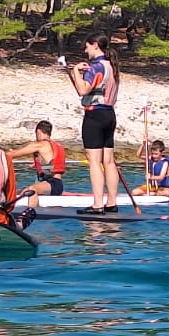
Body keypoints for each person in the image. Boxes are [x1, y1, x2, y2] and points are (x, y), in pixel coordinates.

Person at [65, 34, 120, 214]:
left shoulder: (95, 67)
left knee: (94, 161)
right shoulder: (112, 66)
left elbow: (83, 90)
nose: (85, 50)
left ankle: (97, 204)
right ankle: (111, 202)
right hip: (110, 114)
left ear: (95, 45)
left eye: (87, 46)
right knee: (109, 161)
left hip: (95, 115)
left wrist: (75, 71)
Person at [5, 120, 67, 208]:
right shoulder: (56, 146)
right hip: (56, 185)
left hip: (52, 184)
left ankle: (31, 213)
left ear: (38, 132)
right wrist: (37, 164)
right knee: (21, 192)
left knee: (31, 190)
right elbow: (50, 163)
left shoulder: (40, 145)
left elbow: (12, 154)